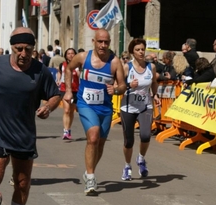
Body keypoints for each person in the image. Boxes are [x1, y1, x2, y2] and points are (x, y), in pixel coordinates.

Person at [0, 27, 61, 205]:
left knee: (22, 183)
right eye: (19, 49)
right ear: (11, 47)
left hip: (24, 135)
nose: (24, 53)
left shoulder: (40, 71)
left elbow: (55, 94)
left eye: (28, 49)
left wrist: (48, 106)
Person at [63, 29, 127, 195]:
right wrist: (69, 90)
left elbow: (122, 86)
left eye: (106, 42)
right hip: (86, 104)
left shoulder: (114, 62)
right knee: (93, 136)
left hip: (105, 107)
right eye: (100, 42)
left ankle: (88, 171)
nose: (103, 45)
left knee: (100, 143)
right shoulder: (83, 57)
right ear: (94, 41)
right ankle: (91, 177)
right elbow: (69, 69)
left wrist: (116, 90)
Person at [120, 38, 161, 181]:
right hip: (128, 107)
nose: (141, 52)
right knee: (128, 141)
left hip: (145, 106)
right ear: (132, 52)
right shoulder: (126, 67)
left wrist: (155, 95)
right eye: (138, 50)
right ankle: (127, 166)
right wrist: (128, 85)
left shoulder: (151, 67)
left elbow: (154, 82)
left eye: (143, 49)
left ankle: (141, 159)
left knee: (145, 135)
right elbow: (117, 85)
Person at [57, 48, 79, 140]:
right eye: (68, 53)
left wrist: (78, 72)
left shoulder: (78, 65)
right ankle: (65, 131)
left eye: (72, 53)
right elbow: (59, 72)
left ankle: (69, 129)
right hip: (64, 89)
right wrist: (58, 79)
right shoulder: (63, 64)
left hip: (75, 90)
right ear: (66, 55)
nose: (70, 55)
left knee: (71, 111)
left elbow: (80, 75)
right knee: (66, 110)